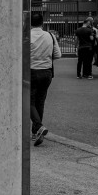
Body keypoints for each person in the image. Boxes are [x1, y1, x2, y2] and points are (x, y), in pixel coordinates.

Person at [29, 10, 60, 145]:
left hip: (31, 71)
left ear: (29, 22)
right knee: (40, 102)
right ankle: (36, 133)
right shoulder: (50, 36)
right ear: (42, 22)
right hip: (47, 72)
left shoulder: (26, 36)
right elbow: (58, 55)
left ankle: (39, 127)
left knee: (27, 101)